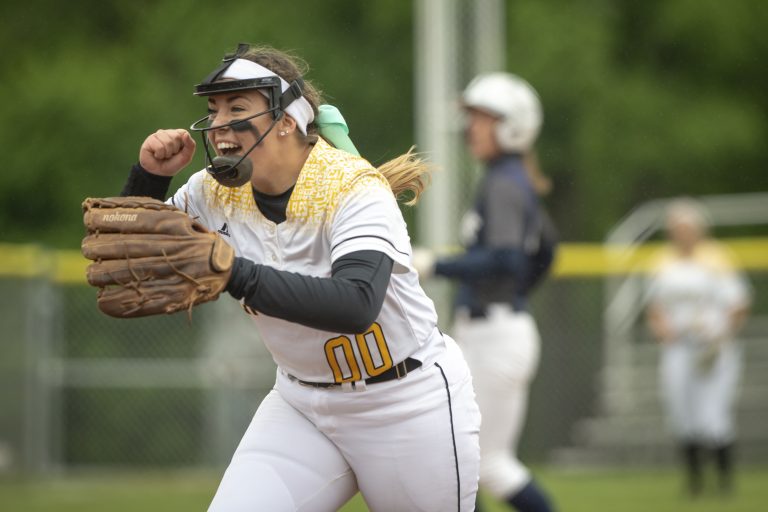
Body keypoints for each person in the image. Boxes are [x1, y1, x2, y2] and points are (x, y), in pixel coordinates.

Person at [120, 43, 481, 511]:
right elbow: (130, 258)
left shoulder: (351, 185)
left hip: (405, 402)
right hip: (301, 405)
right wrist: (148, 179)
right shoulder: (211, 191)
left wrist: (234, 273)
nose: (219, 123)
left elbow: (355, 305)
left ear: (287, 120)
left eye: (238, 107)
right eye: (214, 110)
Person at [413, 73, 557, 512]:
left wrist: (437, 264)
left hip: (495, 334)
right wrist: (513, 294)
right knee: (465, 463)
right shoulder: (508, 178)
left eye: (481, 118)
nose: (470, 128)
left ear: (511, 125)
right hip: (493, 328)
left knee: (480, 463)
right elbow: (546, 250)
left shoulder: (505, 181)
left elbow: (508, 258)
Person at [645, 198, 751, 497]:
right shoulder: (662, 261)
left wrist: (721, 335)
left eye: (687, 227)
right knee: (682, 412)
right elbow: (654, 307)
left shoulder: (717, 258)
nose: (683, 233)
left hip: (714, 347)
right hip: (679, 346)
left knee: (714, 414)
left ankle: (724, 482)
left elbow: (739, 304)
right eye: (677, 228)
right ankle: (694, 483)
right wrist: (662, 328)